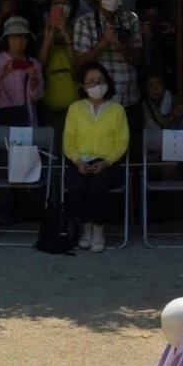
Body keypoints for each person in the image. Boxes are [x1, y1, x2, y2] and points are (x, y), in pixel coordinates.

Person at [63, 62, 129, 253]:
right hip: (80, 161)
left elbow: (121, 142)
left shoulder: (117, 110)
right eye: (90, 81)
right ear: (83, 86)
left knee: (97, 186)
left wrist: (106, 162)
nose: (95, 84)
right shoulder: (75, 109)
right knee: (77, 185)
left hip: (108, 163)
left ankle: (99, 229)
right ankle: (86, 228)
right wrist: (78, 161)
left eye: (99, 80)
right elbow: (69, 141)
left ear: (107, 82)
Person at [71, 0, 143, 136]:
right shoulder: (84, 22)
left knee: (133, 147)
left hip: (130, 97)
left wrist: (122, 47)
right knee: (104, 148)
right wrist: (102, 43)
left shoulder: (131, 19)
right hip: (101, 99)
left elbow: (138, 58)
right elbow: (79, 62)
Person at [0, 16, 43, 130]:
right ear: (6, 40)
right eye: (14, 37)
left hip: (26, 122)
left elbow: (37, 96)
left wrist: (33, 79)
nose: (18, 41)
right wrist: (1, 74)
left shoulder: (34, 63)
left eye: (22, 37)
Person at [37, 0, 77, 132]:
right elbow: (39, 65)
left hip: (76, 100)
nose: (60, 6)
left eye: (65, 3)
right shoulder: (43, 32)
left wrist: (66, 36)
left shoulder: (79, 30)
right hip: (50, 102)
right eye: (56, 3)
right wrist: (48, 40)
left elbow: (78, 63)